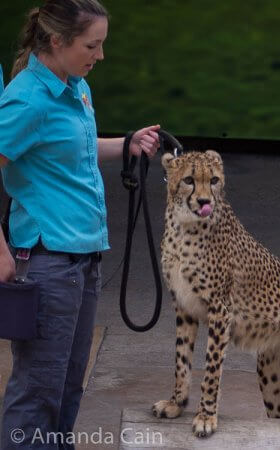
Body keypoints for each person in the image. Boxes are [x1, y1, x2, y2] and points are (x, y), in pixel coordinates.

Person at [0, 1, 161, 448]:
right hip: (49, 263)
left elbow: (77, 148)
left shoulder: (76, 87)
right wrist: (0, 250)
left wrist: (126, 144)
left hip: (82, 260)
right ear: (57, 41)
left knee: (68, 385)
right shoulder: (28, 100)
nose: (100, 55)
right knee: (38, 391)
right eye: (92, 45)